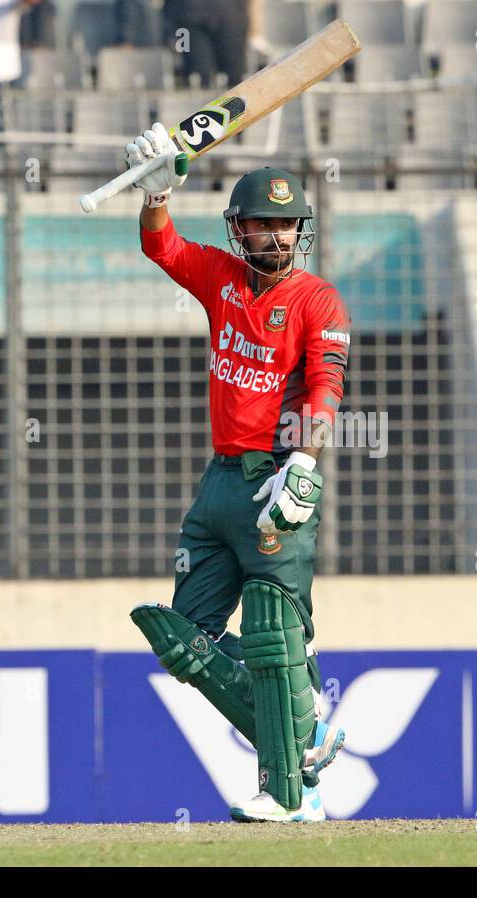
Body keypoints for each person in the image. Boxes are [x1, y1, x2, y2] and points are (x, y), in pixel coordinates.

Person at [125, 123, 353, 823]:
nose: (278, 238)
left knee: (271, 632)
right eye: (264, 224)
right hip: (219, 481)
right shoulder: (221, 281)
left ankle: (289, 791)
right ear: (239, 229)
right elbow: (161, 245)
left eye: (288, 226)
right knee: (182, 636)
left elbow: (325, 388)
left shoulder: (318, 300)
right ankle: (303, 731)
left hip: (277, 479)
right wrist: (158, 193)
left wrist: (306, 466)